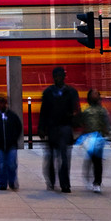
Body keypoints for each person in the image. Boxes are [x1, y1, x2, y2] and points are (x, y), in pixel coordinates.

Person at [37, 65, 80, 193]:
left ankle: (65, 184)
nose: (58, 78)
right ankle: (51, 180)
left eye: (60, 76)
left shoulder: (71, 92)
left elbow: (77, 110)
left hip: (65, 128)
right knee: (51, 157)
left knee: (64, 158)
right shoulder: (48, 92)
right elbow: (43, 111)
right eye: (56, 76)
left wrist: (75, 125)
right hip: (52, 128)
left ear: (64, 77)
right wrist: (41, 128)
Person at [78, 88, 111, 192]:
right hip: (89, 137)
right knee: (92, 159)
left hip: (98, 138)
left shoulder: (102, 110)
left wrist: (108, 134)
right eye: (93, 94)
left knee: (97, 160)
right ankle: (92, 179)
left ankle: (97, 182)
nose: (95, 96)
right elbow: (81, 122)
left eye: (97, 94)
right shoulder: (86, 109)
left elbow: (106, 123)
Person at [0, 93, 23, 191]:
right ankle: (2, 183)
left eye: (2, 103)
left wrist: (14, 138)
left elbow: (18, 127)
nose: (1, 105)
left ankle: (12, 181)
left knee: (11, 164)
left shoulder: (12, 116)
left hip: (11, 145)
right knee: (1, 165)